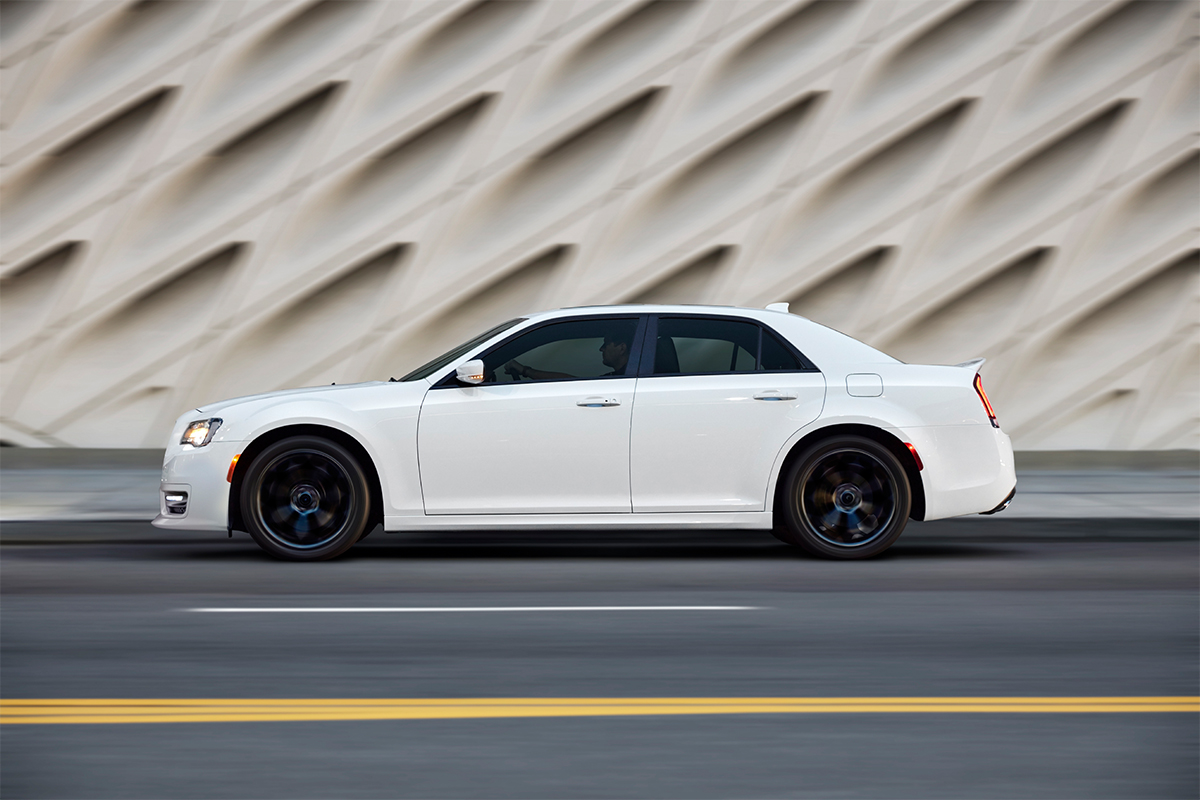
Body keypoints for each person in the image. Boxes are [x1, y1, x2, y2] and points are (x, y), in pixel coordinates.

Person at [504, 329, 631, 381]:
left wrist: (525, 371)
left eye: (606, 344)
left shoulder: (626, 379)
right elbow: (577, 382)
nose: (601, 349)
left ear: (621, 348)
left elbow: (575, 383)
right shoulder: (620, 377)